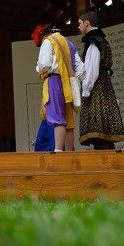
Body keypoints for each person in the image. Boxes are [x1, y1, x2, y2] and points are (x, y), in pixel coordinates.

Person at [77, 11, 124, 150]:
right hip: (104, 85)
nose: (78, 27)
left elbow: (91, 68)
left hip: (97, 87)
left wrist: (86, 90)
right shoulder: (101, 40)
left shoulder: (93, 42)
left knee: (98, 128)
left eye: (80, 23)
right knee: (103, 128)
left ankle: (105, 165)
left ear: (87, 23)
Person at [33, 23, 85, 152]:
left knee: (57, 118)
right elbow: (81, 69)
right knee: (68, 121)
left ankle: (58, 151)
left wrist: (38, 68)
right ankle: (69, 153)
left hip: (53, 81)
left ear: (45, 33)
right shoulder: (70, 44)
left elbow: (44, 64)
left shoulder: (48, 41)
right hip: (67, 83)